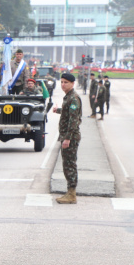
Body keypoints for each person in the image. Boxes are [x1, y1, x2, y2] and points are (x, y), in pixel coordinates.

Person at [52, 73, 81, 204]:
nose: (63, 84)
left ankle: (71, 194)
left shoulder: (73, 98)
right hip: (66, 136)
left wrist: (67, 139)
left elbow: (74, 121)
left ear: (72, 84)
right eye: (62, 82)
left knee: (69, 165)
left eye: (66, 82)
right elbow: (67, 112)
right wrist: (58, 110)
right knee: (67, 164)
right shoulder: (68, 97)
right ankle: (70, 192)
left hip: (70, 137)